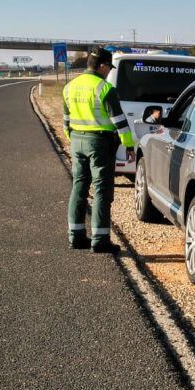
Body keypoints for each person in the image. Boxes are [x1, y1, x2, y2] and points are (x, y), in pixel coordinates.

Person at [63, 48, 135, 253]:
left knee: (79, 187)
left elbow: (65, 123)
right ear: (102, 66)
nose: (108, 72)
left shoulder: (69, 87)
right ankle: (100, 240)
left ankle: (75, 236)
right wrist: (129, 146)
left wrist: (76, 139)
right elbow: (120, 123)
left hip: (77, 140)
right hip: (100, 144)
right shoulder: (105, 89)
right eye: (108, 68)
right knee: (102, 191)